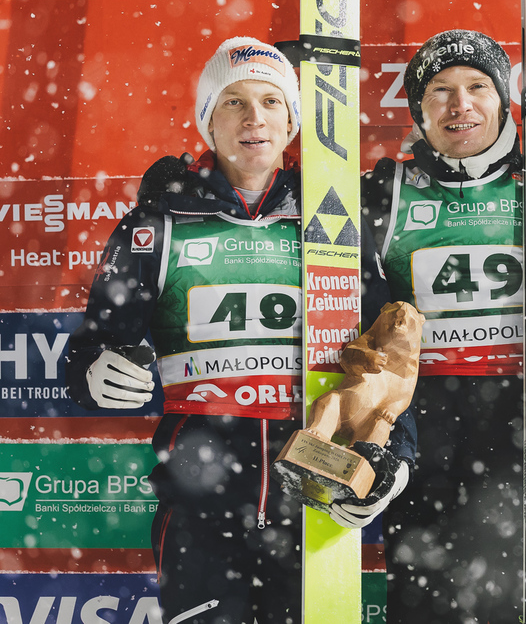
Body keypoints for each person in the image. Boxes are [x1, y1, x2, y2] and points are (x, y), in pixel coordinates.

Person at [66, 36, 413, 624]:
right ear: (208, 119)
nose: (255, 118)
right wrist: (93, 368)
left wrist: (394, 458)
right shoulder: (159, 222)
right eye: (234, 102)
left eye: (271, 102)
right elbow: (91, 345)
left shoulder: (335, 219)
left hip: (314, 491)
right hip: (200, 504)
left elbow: (386, 357)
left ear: (292, 120)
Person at [361, 29, 526, 623]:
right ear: (417, 108)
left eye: (478, 86)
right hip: (420, 454)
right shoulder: (381, 195)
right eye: (441, 90)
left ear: (503, 99)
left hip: (523, 449)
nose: (461, 105)